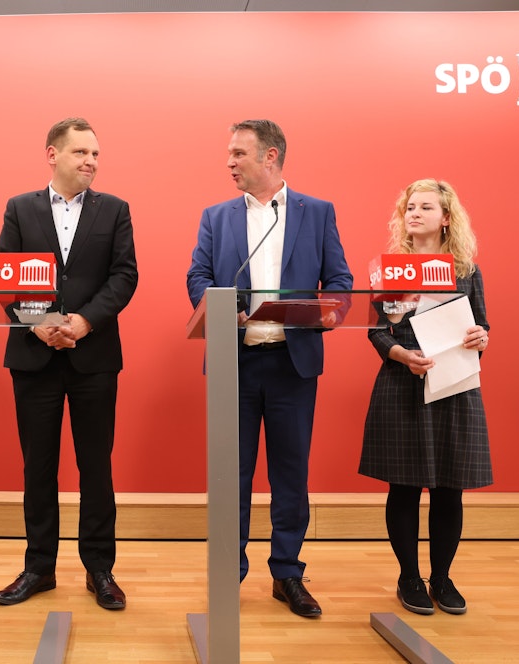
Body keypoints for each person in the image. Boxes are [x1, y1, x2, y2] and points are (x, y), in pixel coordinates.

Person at [187, 119, 353, 618]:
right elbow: (198, 275)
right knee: (230, 477)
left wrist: (328, 313)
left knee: (290, 474)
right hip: (234, 363)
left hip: (292, 365)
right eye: (230, 154)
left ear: (270, 156)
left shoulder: (316, 212)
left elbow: (340, 281)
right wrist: (220, 308)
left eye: (239, 153)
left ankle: (287, 574)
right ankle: (228, 574)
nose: (230, 162)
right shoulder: (216, 217)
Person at [0, 118, 138, 610]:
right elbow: (3, 278)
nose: (91, 161)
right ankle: (39, 568)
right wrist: (39, 324)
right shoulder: (20, 208)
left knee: (96, 466)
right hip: (34, 356)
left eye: (95, 154)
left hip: (94, 357)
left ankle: (100, 569)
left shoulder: (115, 209)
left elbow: (124, 276)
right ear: (52, 155)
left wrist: (83, 321)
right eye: (81, 152)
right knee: (38, 467)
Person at [359, 178, 492, 616]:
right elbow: (377, 331)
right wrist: (401, 355)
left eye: (426, 207)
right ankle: (409, 578)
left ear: (446, 218)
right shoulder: (390, 270)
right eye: (410, 207)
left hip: (454, 386)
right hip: (403, 383)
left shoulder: (466, 271)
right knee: (404, 486)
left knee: (450, 488)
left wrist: (480, 337)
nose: (414, 214)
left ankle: (442, 578)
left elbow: (482, 327)